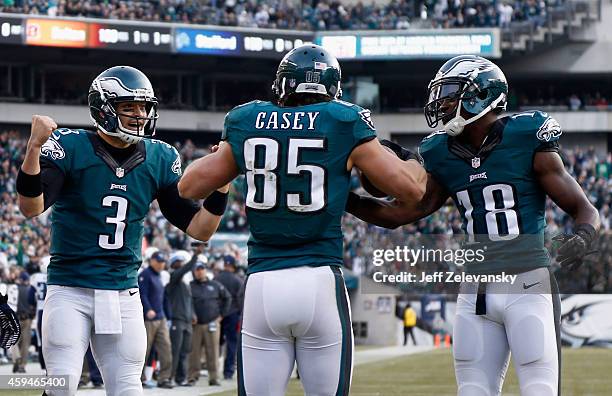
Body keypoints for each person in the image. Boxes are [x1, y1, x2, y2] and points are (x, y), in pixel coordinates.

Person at [178, 44, 426, 395]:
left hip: (264, 284)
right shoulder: (343, 120)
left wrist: (231, 164)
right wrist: (410, 160)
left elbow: (188, 187)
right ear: (332, 89)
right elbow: (411, 190)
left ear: (284, 84)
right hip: (319, 280)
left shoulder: (248, 119)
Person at [346, 55, 600, 396]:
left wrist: (583, 237)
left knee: (539, 389)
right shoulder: (441, 152)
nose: (442, 102)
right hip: (475, 291)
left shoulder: (526, 137)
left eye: (451, 94)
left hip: (527, 285)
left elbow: (583, 208)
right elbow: (399, 214)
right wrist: (343, 200)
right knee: (473, 390)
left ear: (480, 95)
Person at [15, 65, 228, 396]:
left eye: (143, 107)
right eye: (128, 106)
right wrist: (33, 150)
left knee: (129, 388)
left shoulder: (159, 156)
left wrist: (222, 184)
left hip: (123, 292)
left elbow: (200, 230)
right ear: (103, 107)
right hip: (71, 288)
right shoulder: (71, 146)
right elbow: (30, 208)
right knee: (62, 385)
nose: (139, 114)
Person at [188, 261, 231, 386]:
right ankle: (192, 377)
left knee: (213, 352)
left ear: (205, 270)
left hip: (212, 323)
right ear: (194, 272)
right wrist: (191, 314)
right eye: (197, 270)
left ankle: (214, 378)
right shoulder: (190, 286)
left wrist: (221, 315)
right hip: (195, 324)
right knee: (194, 353)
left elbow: (227, 298)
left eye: (201, 269)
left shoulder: (215, 285)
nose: (199, 271)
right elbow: (187, 302)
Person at [166, 248, 200, 386]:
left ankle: (181, 378)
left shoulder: (185, 284)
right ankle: (169, 377)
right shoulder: (173, 278)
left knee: (185, 351)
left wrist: (193, 314)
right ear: (174, 264)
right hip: (177, 319)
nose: (182, 264)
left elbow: (189, 301)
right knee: (175, 350)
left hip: (186, 320)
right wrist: (195, 257)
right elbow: (184, 270)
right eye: (179, 262)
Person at [139, 251, 173, 388]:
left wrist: (167, 315)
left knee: (166, 348)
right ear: (152, 260)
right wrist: (148, 309)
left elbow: (163, 297)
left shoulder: (160, 276)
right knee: (144, 350)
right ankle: (139, 379)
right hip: (149, 319)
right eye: (158, 261)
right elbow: (142, 294)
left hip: (161, 317)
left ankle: (164, 378)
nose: (161, 264)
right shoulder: (145, 275)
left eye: (163, 262)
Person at [215, 254, 243, 380]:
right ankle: (228, 371)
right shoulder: (237, 280)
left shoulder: (217, 278)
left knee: (215, 343)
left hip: (218, 315)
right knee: (231, 343)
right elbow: (241, 299)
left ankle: (214, 370)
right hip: (233, 315)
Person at [13, 271, 35, 373]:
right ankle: (22, 365)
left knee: (14, 341)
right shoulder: (30, 289)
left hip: (15, 318)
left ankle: (16, 357)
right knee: (25, 344)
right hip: (27, 319)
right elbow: (33, 304)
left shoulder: (14, 289)